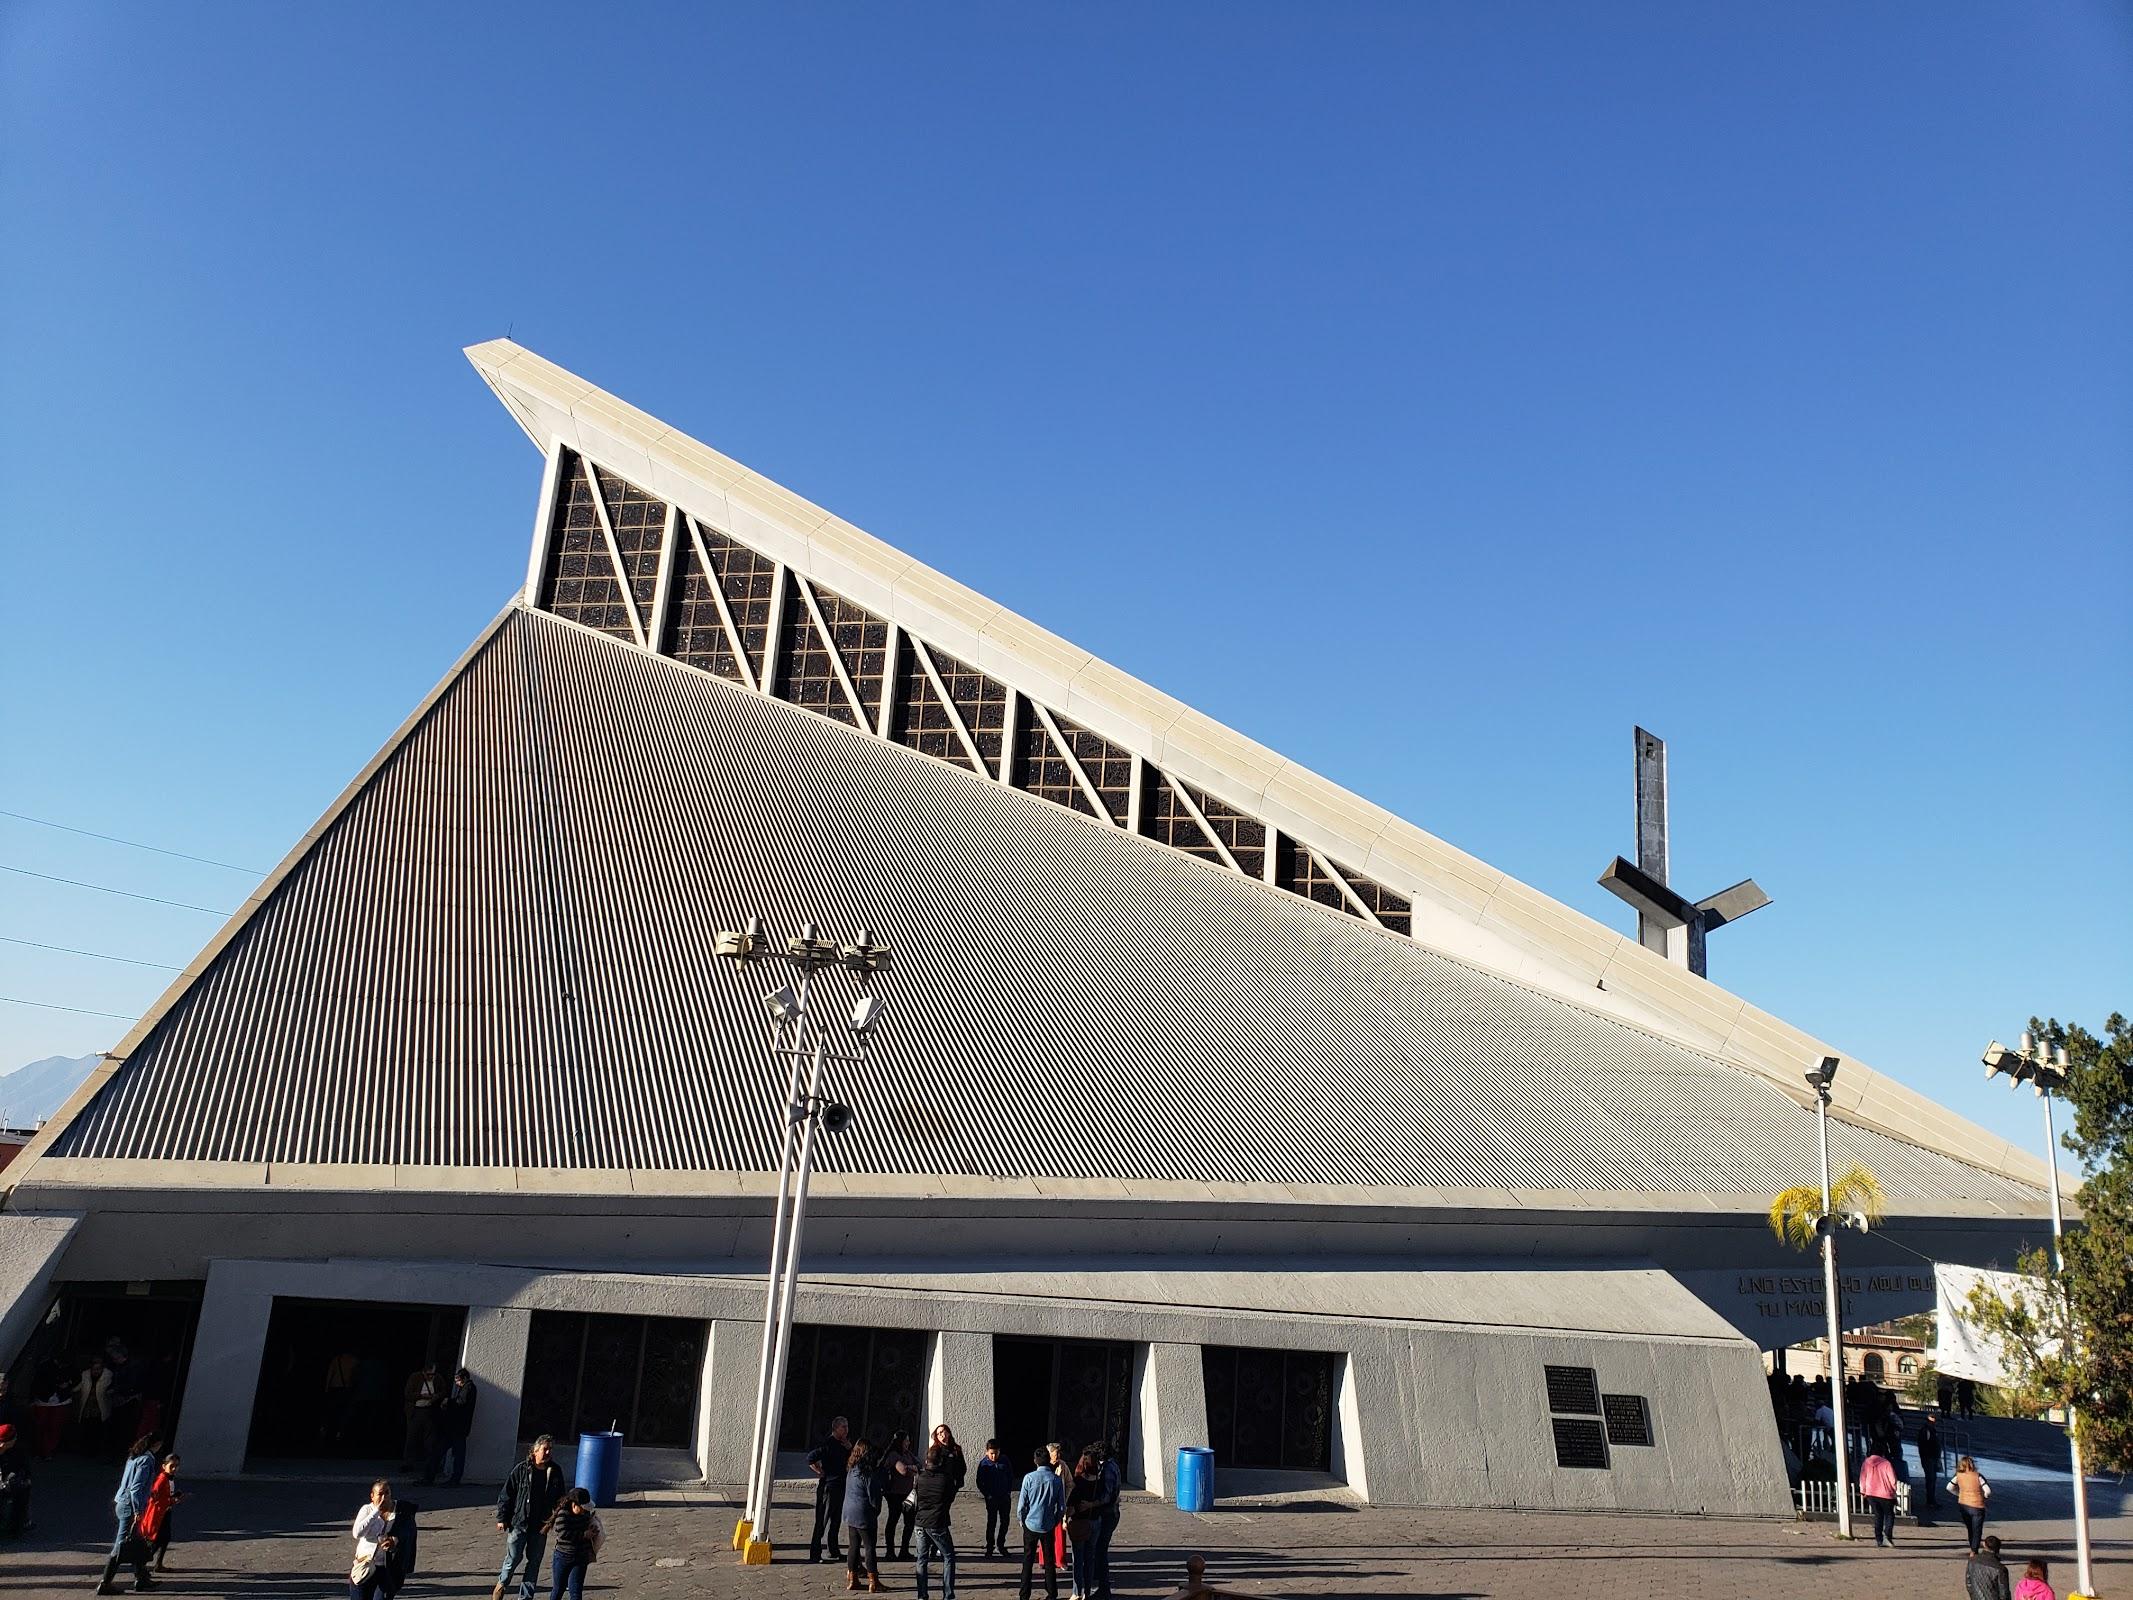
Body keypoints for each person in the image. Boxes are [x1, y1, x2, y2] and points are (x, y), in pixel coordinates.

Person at [493, 1434, 567, 1600]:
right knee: (513, 1559)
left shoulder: (555, 1472)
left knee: (534, 1563)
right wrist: (502, 1518)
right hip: (519, 1523)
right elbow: (506, 1494)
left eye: (550, 1449)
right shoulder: (521, 1470)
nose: (547, 1452)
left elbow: (561, 1498)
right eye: (544, 1449)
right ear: (535, 1450)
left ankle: (525, 1597)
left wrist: (557, 1519)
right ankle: (502, 1585)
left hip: (540, 1526)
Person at [96, 1433, 161, 1594]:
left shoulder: (134, 1457)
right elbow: (136, 1488)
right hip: (130, 1506)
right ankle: (105, 1583)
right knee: (122, 1544)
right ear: (156, 1444)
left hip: (122, 1502)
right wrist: (138, 1509)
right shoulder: (146, 1460)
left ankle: (141, 1578)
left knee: (136, 1541)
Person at [912, 1442, 959, 1600]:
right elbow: (950, 1498)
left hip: (920, 1522)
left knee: (921, 1558)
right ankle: (948, 1594)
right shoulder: (945, 1479)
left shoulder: (919, 1477)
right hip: (937, 1522)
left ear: (927, 1461)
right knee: (948, 1556)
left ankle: (922, 1595)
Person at [1017, 1445, 1064, 1600]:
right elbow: (1061, 1506)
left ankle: (1024, 1594)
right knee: (1050, 1561)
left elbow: (1022, 1505)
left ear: (1035, 1461)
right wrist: (1055, 1519)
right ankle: (1052, 1593)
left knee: (1028, 1560)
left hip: (1031, 1523)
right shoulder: (1056, 1480)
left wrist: (1022, 1520)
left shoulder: (1029, 1478)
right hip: (1048, 1524)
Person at [842, 1438, 885, 1593]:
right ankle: (873, 1580)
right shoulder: (869, 1473)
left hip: (850, 1512)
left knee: (853, 1546)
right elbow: (874, 1498)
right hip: (864, 1514)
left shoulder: (852, 1469)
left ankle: (852, 1578)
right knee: (869, 1547)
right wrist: (876, 1511)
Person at [547, 1484, 603, 1600]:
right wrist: (584, 1535)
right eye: (582, 1508)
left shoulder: (585, 1514)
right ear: (574, 1504)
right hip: (563, 1555)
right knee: (559, 1588)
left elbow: (588, 1526)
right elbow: (563, 1533)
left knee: (576, 1590)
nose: (584, 1512)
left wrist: (593, 1529)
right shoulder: (563, 1514)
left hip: (581, 1556)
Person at [809, 1416, 852, 1563]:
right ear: (836, 1428)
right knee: (822, 1520)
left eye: (847, 1427)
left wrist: (849, 1448)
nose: (846, 1430)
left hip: (841, 1486)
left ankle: (833, 1550)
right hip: (829, 1486)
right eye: (843, 1427)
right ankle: (815, 1553)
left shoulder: (845, 1444)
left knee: (836, 1520)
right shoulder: (827, 1444)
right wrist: (819, 1471)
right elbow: (811, 1457)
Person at [1066, 1450, 1105, 1600]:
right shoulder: (1100, 1482)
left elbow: (1070, 1507)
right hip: (1095, 1521)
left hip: (1079, 1523)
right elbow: (1105, 1500)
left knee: (1078, 1559)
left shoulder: (1079, 1482)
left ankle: (1077, 1591)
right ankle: (1087, 1592)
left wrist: (1067, 1516)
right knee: (1090, 1558)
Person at [349, 1479, 398, 1600]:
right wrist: (376, 1512)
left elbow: (405, 1534)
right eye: (380, 1494)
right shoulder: (367, 1510)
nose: (384, 1497)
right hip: (365, 1564)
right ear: (372, 1496)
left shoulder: (398, 1512)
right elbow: (357, 1533)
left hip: (385, 1567)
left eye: (387, 1493)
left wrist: (394, 1542)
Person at [139, 1452, 182, 1572]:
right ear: (164, 1466)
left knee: (165, 1538)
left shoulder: (168, 1479)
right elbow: (154, 1496)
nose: (174, 1469)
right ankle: (142, 1565)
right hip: (159, 1514)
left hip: (165, 1512)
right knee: (156, 1540)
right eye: (172, 1466)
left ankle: (158, 1563)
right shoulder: (161, 1480)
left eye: (176, 1466)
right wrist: (171, 1500)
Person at [435, 1369, 478, 1486]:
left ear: (464, 1378)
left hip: (458, 1428)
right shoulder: (466, 1388)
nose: (457, 1383)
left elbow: (461, 1403)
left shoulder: (468, 1388)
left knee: (455, 1454)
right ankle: (451, 1478)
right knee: (454, 1453)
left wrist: (448, 1402)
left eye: (458, 1380)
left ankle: (452, 1479)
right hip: (458, 1428)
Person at [1091, 1443, 1122, 1600]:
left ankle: (1104, 1587)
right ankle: (1097, 1576)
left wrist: (1092, 1503)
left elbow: (1107, 1496)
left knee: (1101, 1550)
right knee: (1099, 1548)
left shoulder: (1108, 1469)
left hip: (1107, 1513)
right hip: (1112, 1512)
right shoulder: (1113, 1465)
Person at [403, 1362, 444, 1481]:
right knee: (412, 1437)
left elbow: (443, 1391)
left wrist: (436, 1396)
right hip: (416, 1410)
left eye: (433, 1374)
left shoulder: (438, 1379)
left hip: (430, 1411)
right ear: (423, 1372)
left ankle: (428, 1464)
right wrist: (421, 1396)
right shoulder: (415, 1378)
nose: (431, 1377)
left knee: (430, 1440)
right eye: (429, 1374)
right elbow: (408, 1394)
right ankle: (408, 1463)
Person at [883, 1429, 920, 1558]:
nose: (908, 1443)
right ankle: (890, 1551)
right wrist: (912, 1468)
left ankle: (904, 1549)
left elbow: (919, 1465)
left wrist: (912, 1468)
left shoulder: (908, 1454)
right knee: (893, 1520)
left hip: (908, 1493)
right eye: (906, 1440)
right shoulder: (893, 1455)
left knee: (909, 1522)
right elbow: (902, 1470)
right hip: (894, 1493)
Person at [975, 1439, 1014, 1558]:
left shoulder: (1004, 1461)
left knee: (1005, 1522)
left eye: (996, 1453)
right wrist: (987, 1494)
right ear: (987, 1452)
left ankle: (1001, 1544)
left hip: (1004, 1497)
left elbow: (1010, 1476)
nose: (993, 1456)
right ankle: (989, 1546)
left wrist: (1008, 1491)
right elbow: (979, 1481)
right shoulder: (984, 1464)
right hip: (991, 1498)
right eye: (991, 1453)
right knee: (991, 1522)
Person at [1949, 1454, 1992, 1553]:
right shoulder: (1978, 1476)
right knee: (1977, 1529)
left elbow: (1949, 1487)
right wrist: (1984, 1496)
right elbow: (1988, 1491)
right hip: (1977, 1506)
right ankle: (1974, 1550)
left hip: (1963, 1505)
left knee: (1970, 1528)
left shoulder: (1958, 1476)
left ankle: (1972, 1547)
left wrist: (1959, 1494)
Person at [1857, 1445, 1897, 1546]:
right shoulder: (1886, 1463)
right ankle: (1887, 1536)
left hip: (1871, 1493)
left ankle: (1879, 1539)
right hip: (1886, 1494)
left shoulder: (1866, 1463)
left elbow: (1862, 1478)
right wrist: (1894, 1490)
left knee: (1878, 1515)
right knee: (1889, 1515)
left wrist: (1863, 1491)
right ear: (1882, 1453)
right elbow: (1893, 1480)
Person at [77, 1356, 114, 1458]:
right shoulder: (85, 1375)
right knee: (86, 1429)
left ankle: (95, 1451)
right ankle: (85, 1451)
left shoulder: (108, 1376)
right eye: (94, 1369)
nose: (95, 1371)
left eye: (98, 1369)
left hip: (99, 1407)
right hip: (87, 1406)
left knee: (98, 1429)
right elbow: (79, 1386)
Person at [0, 1423, 32, 1538]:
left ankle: (18, 1524)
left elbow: (24, 1467)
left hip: (9, 1481)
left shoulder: (18, 1450)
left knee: (23, 1489)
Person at [1966, 1535, 2012, 1600]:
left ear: (1984, 1544)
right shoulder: (2000, 1569)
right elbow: (2004, 1594)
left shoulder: (1972, 1561)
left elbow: (1969, 1584)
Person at [1917, 1411, 1942, 1519]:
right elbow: (1924, 1445)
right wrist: (1929, 1455)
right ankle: (1930, 1500)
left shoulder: (1931, 1430)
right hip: (1929, 1458)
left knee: (1932, 1479)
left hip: (1932, 1457)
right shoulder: (1926, 1431)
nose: (1933, 1423)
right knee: (1931, 1479)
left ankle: (1931, 1500)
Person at [930, 1424, 969, 1492]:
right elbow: (932, 1468)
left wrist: (956, 1480)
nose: (939, 1434)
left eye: (941, 1432)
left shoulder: (956, 1449)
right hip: (939, 1485)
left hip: (953, 1484)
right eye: (937, 1434)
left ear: (948, 1433)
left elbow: (962, 1467)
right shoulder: (934, 1450)